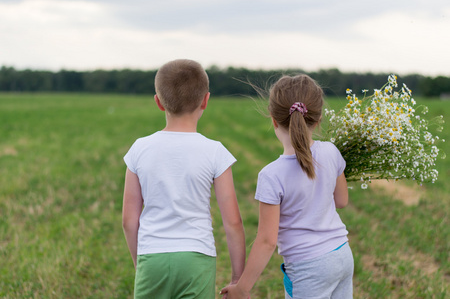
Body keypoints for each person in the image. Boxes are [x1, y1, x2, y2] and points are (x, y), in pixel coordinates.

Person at [221, 74, 353, 299]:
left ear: (273, 119)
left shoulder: (272, 175)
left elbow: (266, 240)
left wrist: (242, 288)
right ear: (318, 118)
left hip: (308, 268)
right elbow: (341, 201)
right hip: (342, 255)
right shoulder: (332, 151)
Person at [122, 59, 246, 299]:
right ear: (205, 100)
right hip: (196, 258)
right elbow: (233, 223)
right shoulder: (215, 151)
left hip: (152, 257)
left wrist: (142, 263)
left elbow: (129, 221)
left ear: (158, 102)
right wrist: (237, 279)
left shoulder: (139, 149)